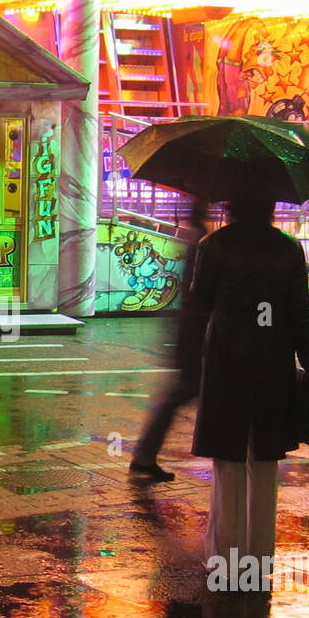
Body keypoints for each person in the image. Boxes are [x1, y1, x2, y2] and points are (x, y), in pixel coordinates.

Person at [190, 196, 309, 562]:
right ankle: (260, 553)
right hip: (272, 357)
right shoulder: (288, 248)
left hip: (226, 358)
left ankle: (226, 555)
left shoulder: (213, 245)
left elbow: (200, 302)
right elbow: (299, 312)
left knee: (228, 458)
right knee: (264, 457)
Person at [130, 199, 210, 482]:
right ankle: (145, 455)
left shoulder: (196, 238)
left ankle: (146, 455)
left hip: (190, 334)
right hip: (198, 337)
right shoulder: (203, 241)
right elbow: (202, 293)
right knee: (187, 395)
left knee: (181, 396)